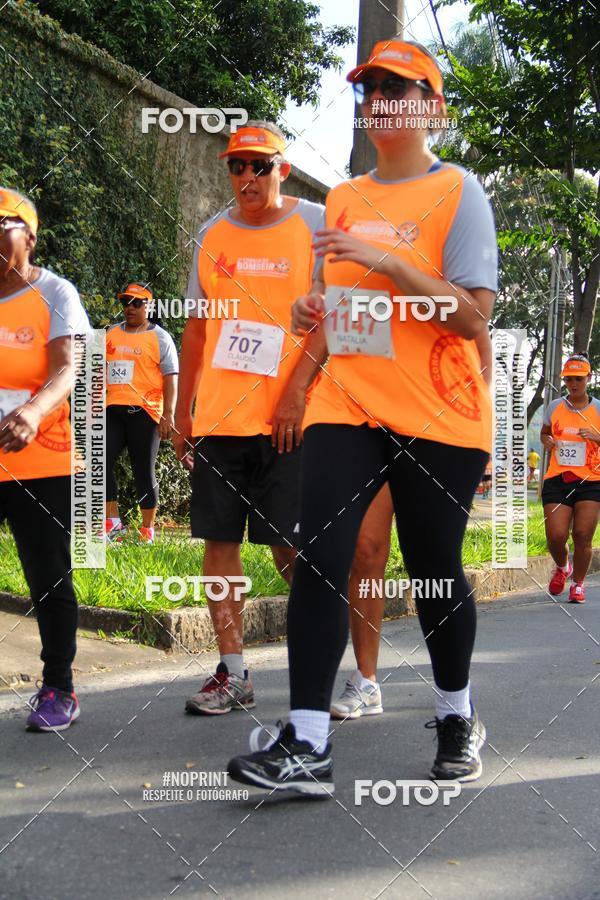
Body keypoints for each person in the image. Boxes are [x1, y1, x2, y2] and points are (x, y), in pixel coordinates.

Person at [228, 40, 498, 794]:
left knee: (434, 567)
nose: (377, 99)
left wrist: (391, 263)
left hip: (439, 411)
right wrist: (308, 310)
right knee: (322, 553)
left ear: (432, 106)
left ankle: (455, 713)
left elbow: (472, 317)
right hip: (347, 401)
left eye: (395, 87)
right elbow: (336, 302)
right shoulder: (346, 197)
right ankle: (307, 743)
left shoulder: (460, 192)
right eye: (368, 88)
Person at [175, 122, 325, 714]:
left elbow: (333, 318)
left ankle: (324, 658)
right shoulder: (212, 234)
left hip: (287, 421)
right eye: (237, 166)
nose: (247, 177)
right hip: (220, 419)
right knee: (219, 542)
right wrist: (183, 411)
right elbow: (196, 328)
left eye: (260, 166)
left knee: (290, 550)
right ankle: (233, 672)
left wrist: (298, 395)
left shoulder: (314, 225)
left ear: (282, 170)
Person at [331, 336, 492, 721]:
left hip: (433, 426)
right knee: (365, 549)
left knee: (433, 563)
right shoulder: (356, 296)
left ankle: (455, 692)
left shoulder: (441, 298)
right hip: (368, 421)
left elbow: (478, 337)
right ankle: (366, 680)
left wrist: (470, 411)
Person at [0, 187, 90, 731]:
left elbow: (67, 370)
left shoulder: (55, 292)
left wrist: (33, 411)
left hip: (41, 463)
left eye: (1, 224)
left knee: (48, 578)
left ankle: (59, 686)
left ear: (29, 237)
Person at [105, 282, 178, 543]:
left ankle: (147, 530)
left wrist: (168, 414)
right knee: (99, 460)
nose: (130, 307)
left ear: (149, 306)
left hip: (145, 411)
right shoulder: (111, 333)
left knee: (143, 471)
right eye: (126, 302)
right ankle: (113, 525)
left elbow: (171, 377)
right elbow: (97, 370)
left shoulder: (160, 337)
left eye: (137, 303)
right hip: (113, 409)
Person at [541, 354, 600, 603]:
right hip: (558, 479)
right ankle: (563, 567)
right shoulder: (555, 406)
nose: (573, 384)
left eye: (578, 379)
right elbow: (545, 433)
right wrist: (547, 441)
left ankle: (578, 584)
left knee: (583, 534)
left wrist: (597, 437)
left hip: (591, 480)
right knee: (556, 536)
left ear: (588, 378)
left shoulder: (598, 409)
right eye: (568, 379)